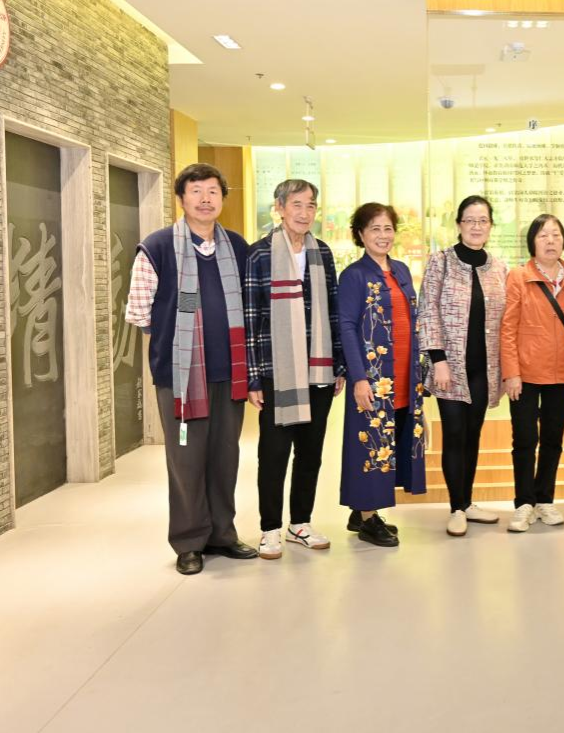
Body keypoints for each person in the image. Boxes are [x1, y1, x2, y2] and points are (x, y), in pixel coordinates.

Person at [125, 163, 254, 575]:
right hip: (180, 376)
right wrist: (178, 339)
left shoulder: (237, 247)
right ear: (181, 199)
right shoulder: (158, 246)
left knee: (225, 458)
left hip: (229, 373)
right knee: (186, 460)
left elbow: (251, 305)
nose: (205, 199)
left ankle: (222, 535)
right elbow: (138, 311)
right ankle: (189, 542)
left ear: (222, 199)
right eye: (195, 191)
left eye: (212, 191)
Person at [243, 179, 345, 559]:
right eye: (297, 204)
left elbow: (333, 310)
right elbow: (251, 318)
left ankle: (300, 522)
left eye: (311, 205)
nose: (305, 212)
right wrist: (254, 376)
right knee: (273, 453)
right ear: (280, 208)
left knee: (310, 452)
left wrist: (338, 364)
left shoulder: (323, 253)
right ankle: (270, 527)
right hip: (277, 370)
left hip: (318, 371)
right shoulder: (259, 254)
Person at [337, 203, 427, 547]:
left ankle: (360, 511)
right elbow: (346, 326)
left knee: (392, 441)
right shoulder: (354, 275)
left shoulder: (401, 270)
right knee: (370, 445)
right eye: (374, 228)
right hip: (374, 377)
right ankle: (368, 518)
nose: (383, 235)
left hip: (402, 375)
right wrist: (359, 377)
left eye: (388, 228)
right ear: (360, 234)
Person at [419, 195, 508, 536]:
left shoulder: (498, 267)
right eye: (469, 220)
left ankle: (468, 502)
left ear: (490, 226)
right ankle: (456, 507)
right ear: (458, 224)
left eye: (482, 220)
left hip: (484, 368)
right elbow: (428, 311)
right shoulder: (441, 261)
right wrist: (438, 360)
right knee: (454, 435)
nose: (476, 226)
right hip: (450, 367)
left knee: (473, 435)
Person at [500, 214, 564, 532]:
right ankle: (524, 502)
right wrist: (511, 372)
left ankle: (545, 498)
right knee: (524, 439)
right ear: (532, 241)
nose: (550, 240)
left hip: (562, 373)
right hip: (525, 374)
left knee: (552, 439)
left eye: (556, 235)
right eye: (543, 235)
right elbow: (508, 328)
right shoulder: (518, 276)